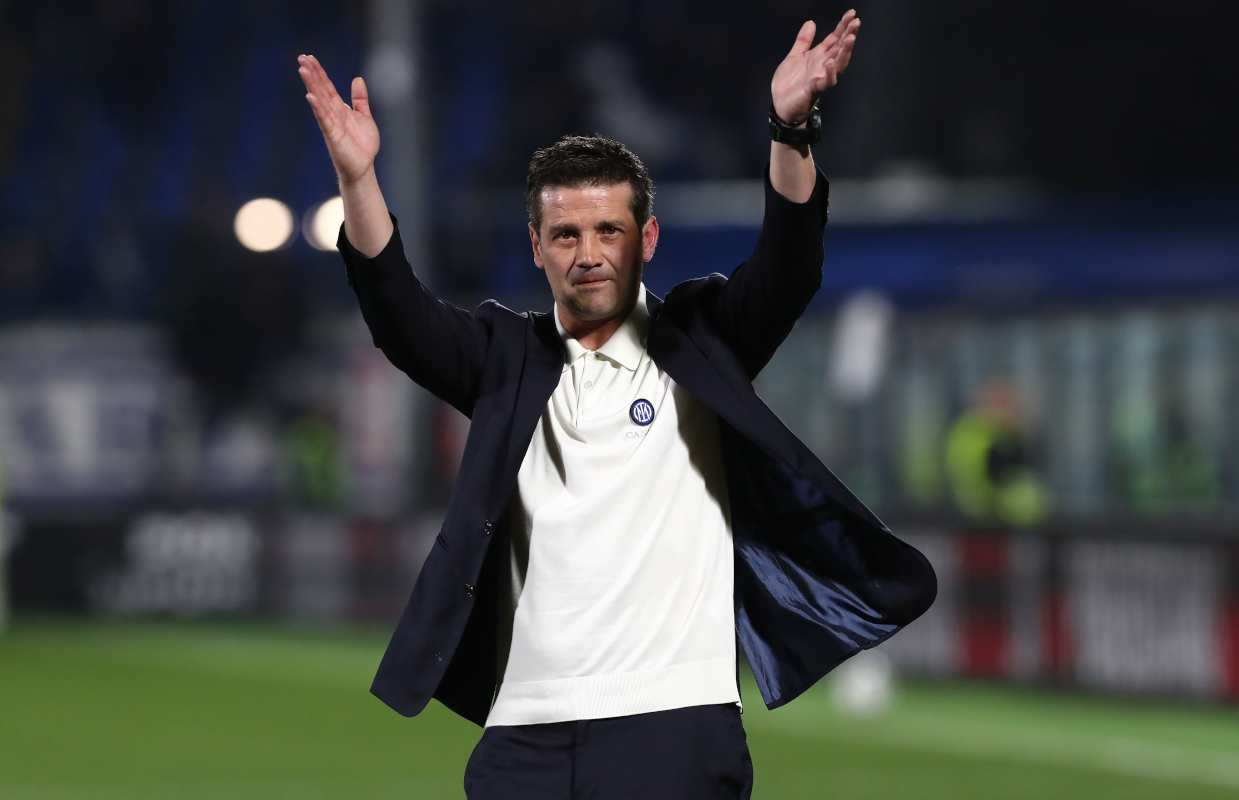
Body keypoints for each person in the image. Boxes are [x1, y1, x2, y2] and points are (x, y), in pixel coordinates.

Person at [299, 10, 935, 799]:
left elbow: (789, 263)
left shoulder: (703, 339)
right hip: (523, 731)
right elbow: (397, 314)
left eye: (609, 229)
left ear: (649, 239)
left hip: (671, 720)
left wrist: (789, 126)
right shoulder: (502, 358)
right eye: (565, 234)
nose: (589, 253)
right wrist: (359, 182)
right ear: (535, 248)